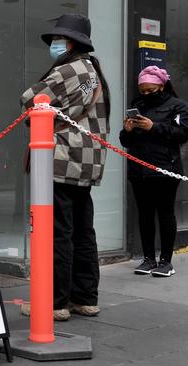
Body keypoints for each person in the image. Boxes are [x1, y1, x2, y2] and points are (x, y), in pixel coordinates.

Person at [20, 14, 111, 320]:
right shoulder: (95, 70)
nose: (55, 43)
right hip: (89, 161)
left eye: (60, 39)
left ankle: (54, 302)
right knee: (83, 232)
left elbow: (29, 98)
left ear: (73, 42)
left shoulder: (69, 68)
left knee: (57, 231)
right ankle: (84, 298)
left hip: (61, 157)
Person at [120, 66, 188, 277]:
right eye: (143, 90)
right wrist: (127, 131)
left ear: (161, 86)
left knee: (165, 213)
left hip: (165, 168)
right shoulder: (137, 105)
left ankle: (166, 261)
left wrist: (154, 127)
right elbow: (125, 141)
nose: (146, 94)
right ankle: (148, 258)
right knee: (145, 214)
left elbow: (182, 133)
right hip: (139, 168)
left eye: (151, 90)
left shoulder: (178, 106)